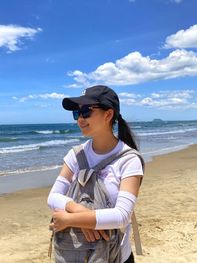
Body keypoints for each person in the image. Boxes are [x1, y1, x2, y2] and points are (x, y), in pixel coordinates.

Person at [47, 85, 144, 263]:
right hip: (75, 255)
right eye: (77, 113)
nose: (79, 119)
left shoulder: (129, 160)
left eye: (85, 112)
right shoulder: (76, 155)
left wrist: (69, 219)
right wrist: (79, 213)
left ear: (108, 114)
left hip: (115, 257)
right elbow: (52, 196)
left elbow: (122, 216)